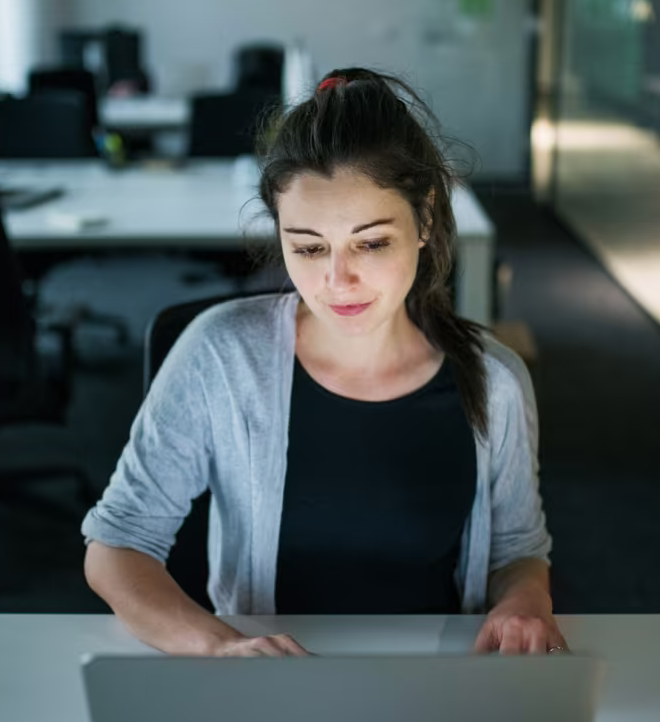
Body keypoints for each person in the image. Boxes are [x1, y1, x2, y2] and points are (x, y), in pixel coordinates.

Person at [82, 68, 565, 658]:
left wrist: (523, 601)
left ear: (427, 220)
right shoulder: (221, 354)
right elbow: (116, 547)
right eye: (309, 248)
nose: (337, 281)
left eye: (371, 242)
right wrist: (216, 647)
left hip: (435, 683)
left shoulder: (495, 382)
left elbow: (518, 551)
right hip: (268, 688)